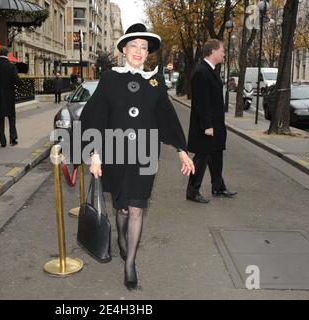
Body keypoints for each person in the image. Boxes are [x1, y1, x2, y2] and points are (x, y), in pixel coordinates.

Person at [79, 23, 195, 291]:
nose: (140, 51)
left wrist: (181, 150)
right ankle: (121, 235)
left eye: (144, 47)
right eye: (134, 46)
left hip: (145, 156)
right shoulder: (110, 79)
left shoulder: (154, 82)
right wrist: (94, 154)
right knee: (122, 207)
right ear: (124, 50)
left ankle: (130, 262)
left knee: (137, 207)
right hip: (116, 154)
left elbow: (167, 117)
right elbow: (94, 116)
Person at [186, 39, 237, 204]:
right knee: (201, 159)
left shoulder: (211, 70)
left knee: (216, 157)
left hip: (216, 125)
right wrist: (207, 126)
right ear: (213, 51)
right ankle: (192, 192)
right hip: (206, 127)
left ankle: (218, 187)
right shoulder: (201, 72)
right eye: (222, 50)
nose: (223, 53)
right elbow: (201, 103)